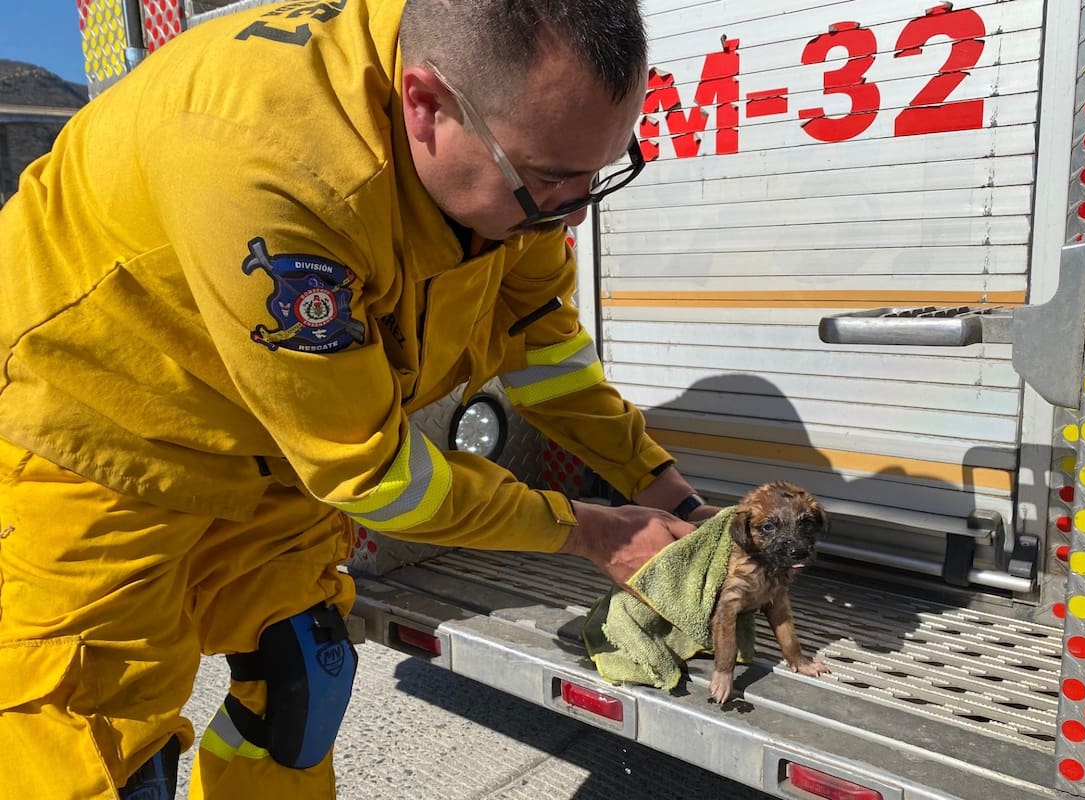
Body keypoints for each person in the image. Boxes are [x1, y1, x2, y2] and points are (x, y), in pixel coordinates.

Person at [0, 0, 719, 797]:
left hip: (276, 441)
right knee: (95, 751)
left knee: (300, 674)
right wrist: (588, 532)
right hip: (95, 436)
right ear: (425, 106)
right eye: (551, 178)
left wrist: (670, 497)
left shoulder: (512, 154)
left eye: (599, 171)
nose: (573, 208)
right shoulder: (275, 170)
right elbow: (375, 474)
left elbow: (546, 349)